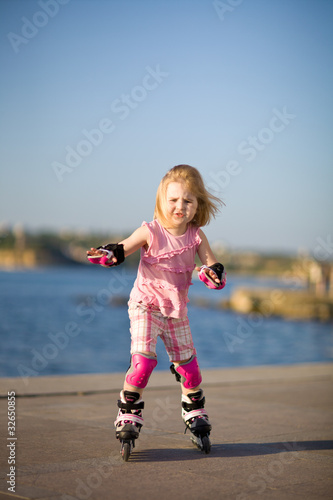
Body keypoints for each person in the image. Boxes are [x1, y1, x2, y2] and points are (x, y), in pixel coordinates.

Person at [87, 164, 226, 456]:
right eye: (173, 200)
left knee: (189, 370)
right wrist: (111, 253)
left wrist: (212, 274)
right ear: (161, 201)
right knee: (143, 363)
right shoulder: (150, 231)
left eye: (188, 201)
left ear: (198, 203)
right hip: (145, 305)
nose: (180, 206)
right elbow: (124, 248)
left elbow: (211, 265)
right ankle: (128, 411)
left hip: (177, 311)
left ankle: (194, 412)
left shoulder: (196, 236)